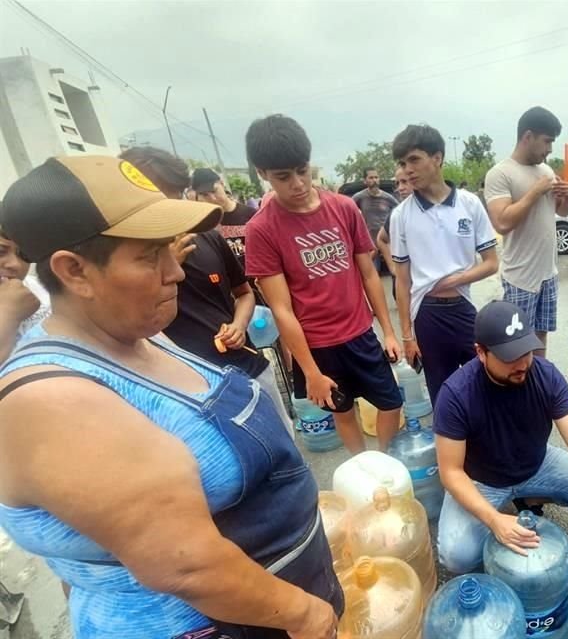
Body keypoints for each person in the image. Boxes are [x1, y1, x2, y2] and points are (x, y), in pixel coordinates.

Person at [0, 155, 342, 639]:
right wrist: (305, 614)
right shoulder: (55, 400)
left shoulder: (134, 336)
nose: (175, 272)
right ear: (74, 271)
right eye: (148, 256)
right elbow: (187, 567)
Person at [434, 300, 568, 573]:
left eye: (526, 351)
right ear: (481, 352)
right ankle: (507, 503)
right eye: (509, 356)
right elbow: (451, 473)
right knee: (457, 557)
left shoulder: (545, 375)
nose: (522, 363)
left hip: (538, 464)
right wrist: (495, 520)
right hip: (482, 480)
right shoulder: (456, 395)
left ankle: (530, 496)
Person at [244, 114, 403, 453]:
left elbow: (369, 273)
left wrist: (388, 330)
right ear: (262, 174)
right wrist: (310, 371)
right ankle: (364, 468)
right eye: (283, 177)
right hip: (318, 345)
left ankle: (385, 460)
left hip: (360, 334)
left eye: (302, 171)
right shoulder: (262, 229)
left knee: (391, 402)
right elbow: (281, 309)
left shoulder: (344, 208)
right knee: (343, 413)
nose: (298, 183)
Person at [120, 148, 294, 435]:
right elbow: (130, 323)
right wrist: (166, 266)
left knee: (283, 445)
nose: (171, 205)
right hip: (189, 389)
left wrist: (239, 325)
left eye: (176, 194)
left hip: (246, 365)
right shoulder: (124, 260)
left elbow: (244, 293)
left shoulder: (209, 237)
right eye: (160, 197)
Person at [390, 124, 499, 404]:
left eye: (414, 159)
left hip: (463, 308)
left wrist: (455, 280)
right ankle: (452, 447)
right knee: (442, 393)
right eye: (403, 163)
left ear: (437, 158)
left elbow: (491, 263)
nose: (407, 170)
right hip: (426, 314)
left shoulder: (470, 204)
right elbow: (401, 281)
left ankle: (490, 443)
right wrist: (407, 336)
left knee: (487, 378)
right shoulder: (401, 215)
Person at [485, 107, 568, 356]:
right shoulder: (500, 174)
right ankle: (521, 391)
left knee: (541, 337)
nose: (550, 149)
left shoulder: (545, 171)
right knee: (518, 343)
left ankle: (540, 382)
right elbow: (502, 222)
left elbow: (563, 212)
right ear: (527, 137)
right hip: (520, 277)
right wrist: (535, 191)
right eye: (547, 141)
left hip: (548, 272)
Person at [191, 167, 259, 271]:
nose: (213, 198)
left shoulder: (251, 214)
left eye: (214, 191)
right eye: (205, 195)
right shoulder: (204, 225)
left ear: (222, 184)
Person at [0, 224, 49, 362]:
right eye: (0, 252)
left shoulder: (43, 289)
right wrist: (8, 314)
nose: (16, 264)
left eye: (24, 254)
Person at [352, 167, 398, 274]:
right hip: (370, 243)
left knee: (395, 271)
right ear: (365, 181)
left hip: (386, 241)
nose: (374, 180)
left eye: (376, 177)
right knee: (373, 272)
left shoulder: (387, 198)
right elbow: (348, 210)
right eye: (371, 177)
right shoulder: (359, 197)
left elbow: (400, 211)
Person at [375, 167, 412, 295]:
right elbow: (381, 239)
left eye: (405, 182)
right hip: (405, 280)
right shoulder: (397, 214)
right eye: (398, 183)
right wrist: (392, 267)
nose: (400, 188)